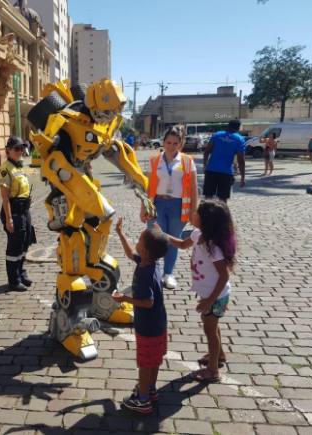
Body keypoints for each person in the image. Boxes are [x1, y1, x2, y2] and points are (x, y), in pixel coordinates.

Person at [163, 199, 236, 382]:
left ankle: (213, 371)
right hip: (209, 294)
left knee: (210, 331)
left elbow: (224, 276)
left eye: (197, 213)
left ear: (206, 220)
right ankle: (218, 356)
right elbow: (181, 245)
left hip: (216, 296)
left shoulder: (213, 247)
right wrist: (163, 234)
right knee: (212, 326)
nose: (193, 214)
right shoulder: (197, 234)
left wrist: (210, 300)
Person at [113, 217, 169, 414]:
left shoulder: (146, 273)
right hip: (159, 324)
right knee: (153, 360)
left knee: (145, 363)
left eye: (139, 240)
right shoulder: (151, 262)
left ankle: (143, 400)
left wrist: (124, 299)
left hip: (148, 327)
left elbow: (148, 302)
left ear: (145, 251)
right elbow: (130, 253)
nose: (136, 242)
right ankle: (151, 390)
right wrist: (120, 233)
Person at [142, 127, 198, 290]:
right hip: (157, 204)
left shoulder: (187, 161)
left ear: (180, 143)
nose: (171, 146)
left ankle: (168, 274)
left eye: (175, 143)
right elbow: (148, 187)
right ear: (163, 141)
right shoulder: (154, 161)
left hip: (178, 205)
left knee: (173, 240)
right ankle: (153, 273)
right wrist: (143, 208)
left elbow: (194, 188)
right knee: (155, 239)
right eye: (168, 142)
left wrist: (194, 211)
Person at [0, 136, 36, 292]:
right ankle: (13, 280)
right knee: (15, 246)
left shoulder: (20, 166)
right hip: (13, 210)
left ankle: (21, 272)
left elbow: (35, 172)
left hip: (24, 210)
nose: (20, 151)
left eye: (22, 148)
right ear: (8, 150)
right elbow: (5, 197)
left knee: (25, 241)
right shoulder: (5, 169)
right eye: (17, 149)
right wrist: (9, 219)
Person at [203, 120, 246, 202]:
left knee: (208, 197)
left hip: (211, 170)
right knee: (223, 199)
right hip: (226, 173)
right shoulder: (239, 139)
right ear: (238, 128)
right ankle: (221, 214)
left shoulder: (217, 135)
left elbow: (207, 150)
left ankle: (206, 214)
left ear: (228, 126)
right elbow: (241, 160)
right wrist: (242, 177)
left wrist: (205, 165)